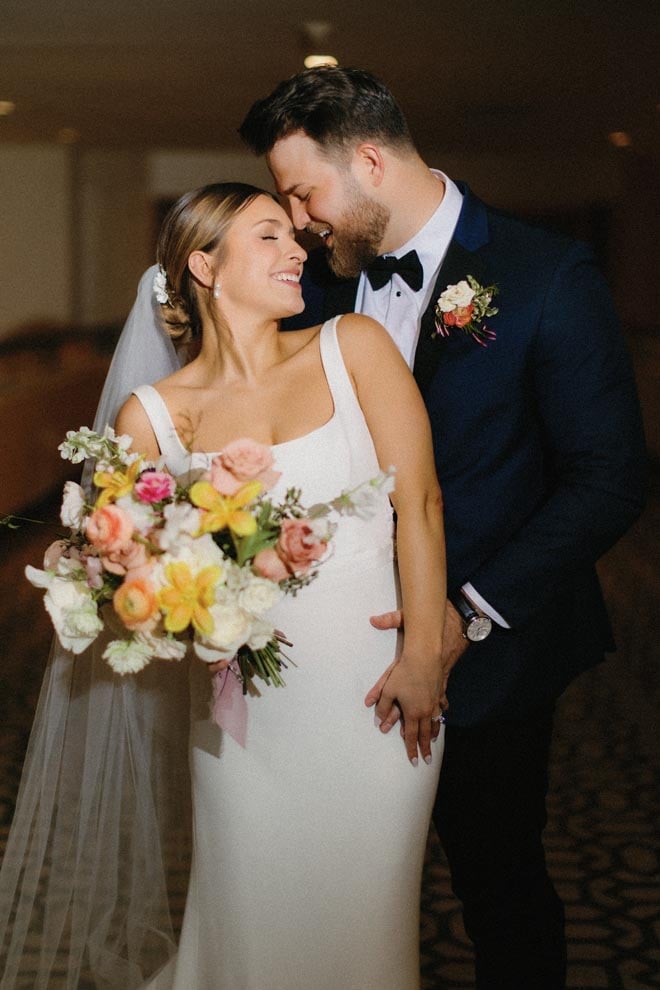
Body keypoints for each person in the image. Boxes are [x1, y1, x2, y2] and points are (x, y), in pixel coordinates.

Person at [238, 66, 648, 989]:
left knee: (496, 881)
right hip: (332, 646)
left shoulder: (546, 273)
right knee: (332, 882)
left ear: (371, 162)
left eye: (304, 193)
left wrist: (465, 613)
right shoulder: (316, 289)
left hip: (492, 652)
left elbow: (609, 478)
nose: (300, 221)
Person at [0, 182, 447, 990]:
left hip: (379, 695)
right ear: (204, 265)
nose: (298, 250)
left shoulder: (354, 345)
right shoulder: (153, 418)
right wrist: (164, 602)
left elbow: (419, 501)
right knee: (254, 919)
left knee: (370, 919)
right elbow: (121, 570)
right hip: (247, 721)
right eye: (270, 237)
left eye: (295, 237)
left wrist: (424, 655)